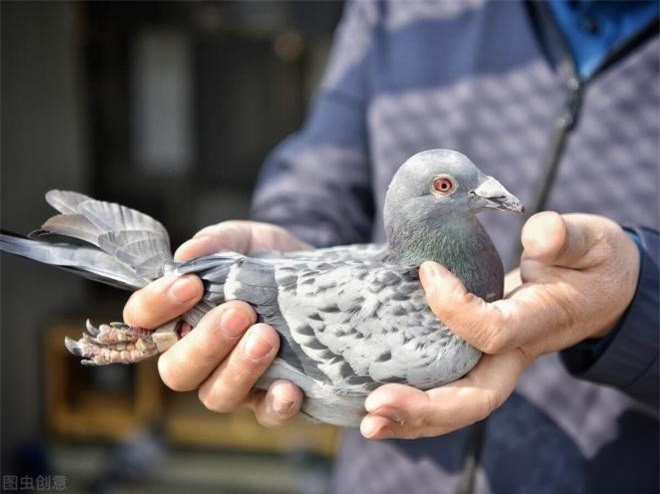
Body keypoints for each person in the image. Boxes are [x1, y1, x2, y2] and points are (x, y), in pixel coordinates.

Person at [123, 1, 659, 493]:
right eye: (450, 186)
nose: (489, 190)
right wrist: (288, 237)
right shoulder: (405, 9)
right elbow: (321, 177)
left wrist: (637, 301)